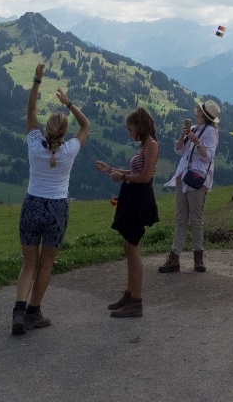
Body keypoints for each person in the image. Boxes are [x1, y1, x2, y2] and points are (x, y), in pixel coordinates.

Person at [13, 63, 90, 335]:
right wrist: (68, 103)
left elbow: (30, 110)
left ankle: (18, 312)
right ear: (64, 132)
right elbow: (86, 124)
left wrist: (37, 79)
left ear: (46, 129)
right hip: (57, 208)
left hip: (32, 204)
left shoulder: (34, 144)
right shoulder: (69, 150)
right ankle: (34, 311)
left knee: (28, 264)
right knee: (45, 265)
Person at [96, 107, 160, 318]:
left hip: (140, 200)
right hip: (133, 198)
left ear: (140, 127)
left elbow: (145, 177)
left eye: (131, 129)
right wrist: (109, 170)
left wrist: (122, 178)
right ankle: (130, 294)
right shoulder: (144, 146)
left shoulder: (151, 145)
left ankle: (136, 301)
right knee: (128, 246)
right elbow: (135, 172)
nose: (129, 133)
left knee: (132, 249)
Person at [158, 99, 221, 273]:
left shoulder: (210, 133)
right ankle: (175, 257)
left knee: (195, 219)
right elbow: (178, 150)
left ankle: (198, 257)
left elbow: (207, 156)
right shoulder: (193, 128)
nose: (195, 111)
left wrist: (197, 142)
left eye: (198, 110)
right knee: (180, 218)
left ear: (202, 114)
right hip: (183, 177)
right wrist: (183, 135)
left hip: (196, 178)